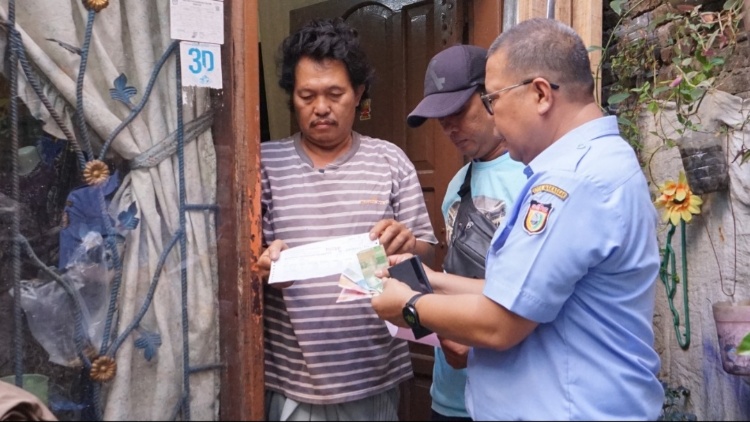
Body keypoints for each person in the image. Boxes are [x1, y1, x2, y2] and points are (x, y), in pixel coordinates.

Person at [371, 18, 664, 420]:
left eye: (492, 100)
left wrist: (409, 306)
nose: (492, 115)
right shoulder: (599, 160)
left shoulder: (569, 181)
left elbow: (499, 323)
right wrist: (431, 280)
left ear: (540, 94)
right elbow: (516, 293)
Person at [257, 18, 437, 421]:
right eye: (306, 95)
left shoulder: (390, 161)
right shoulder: (264, 163)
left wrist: (408, 244)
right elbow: (241, 263)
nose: (321, 107)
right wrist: (264, 265)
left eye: (335, 94)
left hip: (374, 375)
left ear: (358, 93)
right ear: (292, 97)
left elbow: (426, 253)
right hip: (293, 383)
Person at [405, 44, 526, 421]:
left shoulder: (537, 179)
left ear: (491, 97)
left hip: (509, 393)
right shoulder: (458, 183)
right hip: (449, 390)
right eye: (440, 119)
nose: (450, 128)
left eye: (458, 112)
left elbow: (531, 297)